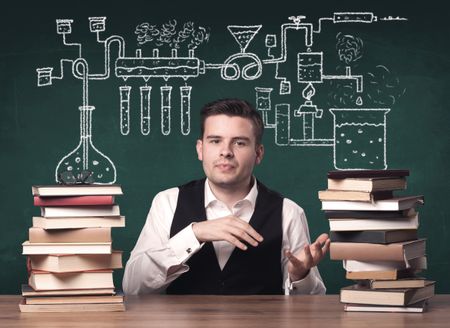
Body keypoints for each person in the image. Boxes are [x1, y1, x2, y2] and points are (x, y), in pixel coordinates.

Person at [123, 98, 330, 295]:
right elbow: (133, 287)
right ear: (200, 149)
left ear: (258, 153)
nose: (226, 152)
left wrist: (299, 275)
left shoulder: (288, 212)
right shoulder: (168, 202)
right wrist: (194, 234)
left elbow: (311, 304)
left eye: (239, 143)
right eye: (215, 141)